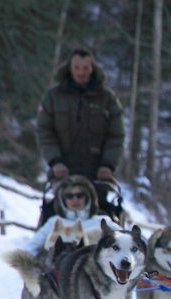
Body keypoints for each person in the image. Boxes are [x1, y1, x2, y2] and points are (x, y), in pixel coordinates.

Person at [36, 48, 125, 185]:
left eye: (85, 68)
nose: (81, 72)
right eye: (77, 67)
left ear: (92, 69)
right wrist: (55, 161)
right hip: (62, 171)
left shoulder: (107, 98)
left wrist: (108, 164)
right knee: (60, 203)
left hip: (97, 174)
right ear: (70, 68)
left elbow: (116, 135)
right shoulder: (53, 97)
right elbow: (44, 131)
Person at [24, 175, 119, 255]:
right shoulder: (54, 222)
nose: (75, 199)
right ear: (63, 199)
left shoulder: (101, 221)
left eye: (79, 195)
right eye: (69, 196)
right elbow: (30, 248)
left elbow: (126, 240)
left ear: (88, 197)